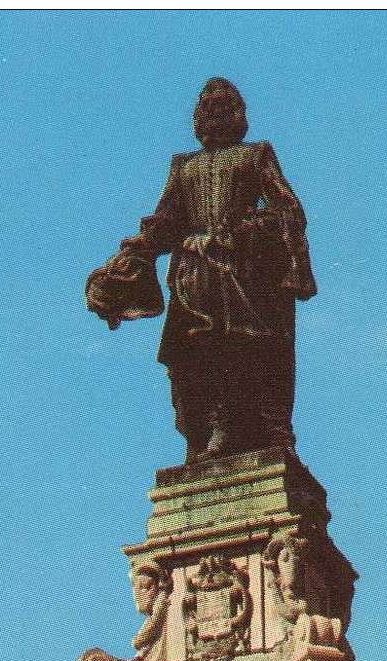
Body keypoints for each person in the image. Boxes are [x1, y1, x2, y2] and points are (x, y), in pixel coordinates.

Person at [86, 78, 316, 462]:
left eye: (222, 105)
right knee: (190, 356)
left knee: (246, 350)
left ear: (237, 112)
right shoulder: (183, 166)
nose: (213, 112)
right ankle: (202, 430)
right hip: (194, 277)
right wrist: (130, 255)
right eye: (205, 106)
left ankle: (251, 430)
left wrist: (233, 234)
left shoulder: (255, 155)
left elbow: (286, 210)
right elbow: (163, 223)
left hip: (242, 274)